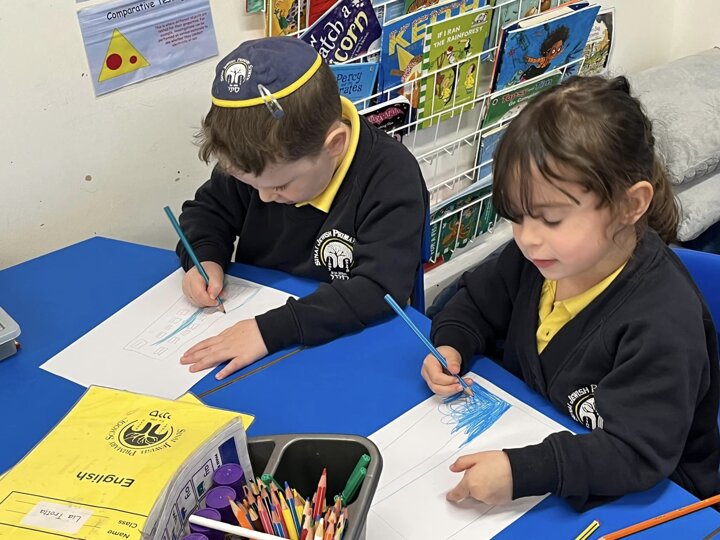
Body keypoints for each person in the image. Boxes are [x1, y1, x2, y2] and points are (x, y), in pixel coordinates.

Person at [421, 75, 720, 510]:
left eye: (552, 219)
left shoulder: (664, 321)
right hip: (544, 433)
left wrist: (523, 472)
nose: (528, 238)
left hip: (657, 497)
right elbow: (473, 304)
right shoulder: (540, 259)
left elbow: (635, 452)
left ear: (630, 205)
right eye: (516, 216)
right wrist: (451, 344)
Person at [176, 37, 427, 380]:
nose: (264, 197)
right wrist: (204, 258)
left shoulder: (391, 175)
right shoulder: (261, 162)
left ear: (334, 144)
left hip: (346, 339)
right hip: (262, 321)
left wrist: (270, 331)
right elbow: (207, 212)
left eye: (280, 185)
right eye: (252, 185)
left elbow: (378, 289)